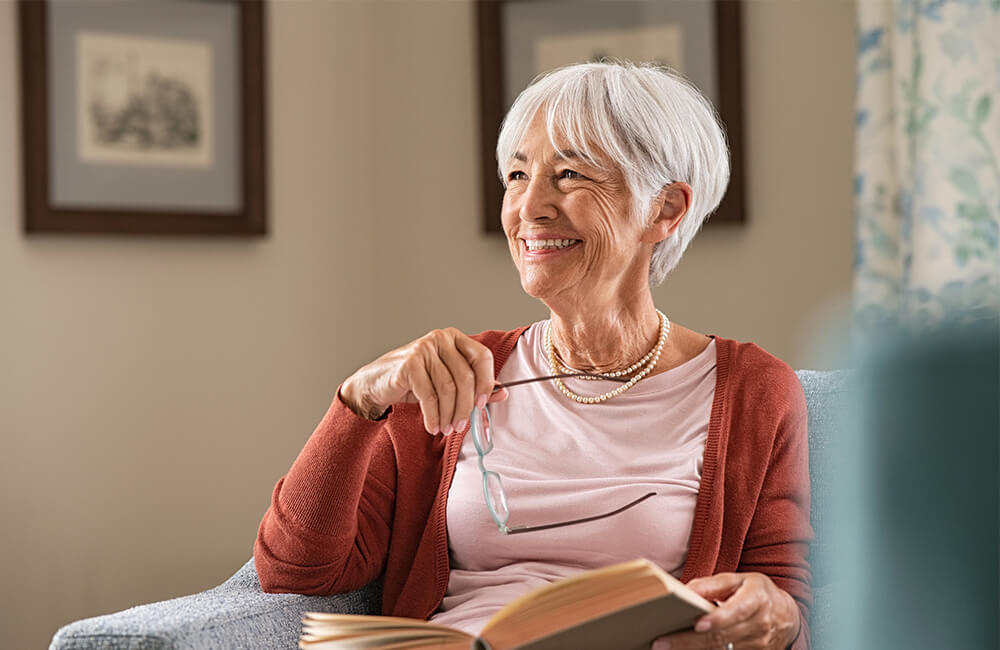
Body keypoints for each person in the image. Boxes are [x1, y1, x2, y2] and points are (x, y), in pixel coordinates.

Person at [254, 61, 812, 650]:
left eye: (570, 174)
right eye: (518, 174)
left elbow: (785, 603)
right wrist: (358, 400)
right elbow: (296, 574)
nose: (530, 207)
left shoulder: (752, 391)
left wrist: (778, 615)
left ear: (665, 210)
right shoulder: (453, 377)